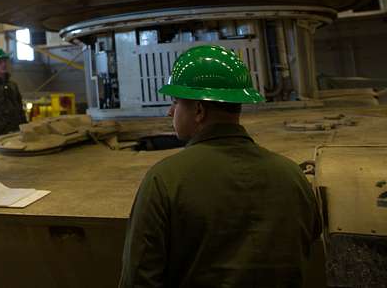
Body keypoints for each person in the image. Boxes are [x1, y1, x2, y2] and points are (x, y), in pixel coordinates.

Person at [119, 45, 323, 288]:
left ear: (199, 110)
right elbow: (309, 241)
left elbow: (139, 277)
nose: (169, 111)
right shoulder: (292, 175)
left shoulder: (164, 179)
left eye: (175, 102)